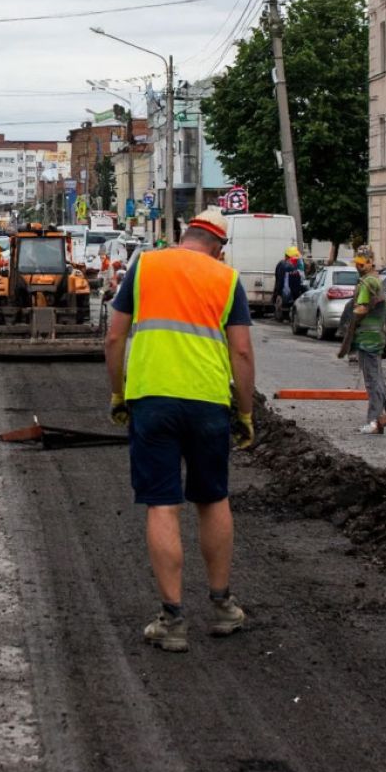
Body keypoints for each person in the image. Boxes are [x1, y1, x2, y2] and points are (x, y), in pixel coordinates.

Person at [104, 207, 256, 654]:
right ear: (218, 246)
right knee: (212, 499)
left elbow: (114, 338)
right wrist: (244, 414)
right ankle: (223, 607)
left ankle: (172, 620)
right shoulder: (227, 279)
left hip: (152, 400)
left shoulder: (145, 266)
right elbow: (242, 352)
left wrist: (118, 394)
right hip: (208, 402)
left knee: (163, 504)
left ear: (183, 233)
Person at [339, 245, 386, 435]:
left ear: (370, 263)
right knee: (378, 379)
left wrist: (351, 318)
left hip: (368, 339)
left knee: (373, 382)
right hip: (375, 338)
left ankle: (374, 422)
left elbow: (362, 308)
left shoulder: (367, 283)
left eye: (362, 263)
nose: (358, 266)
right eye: (357, 263)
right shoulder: (374, 280)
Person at [272, 246, 305, 320]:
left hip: (283, 293)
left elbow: (278, 280)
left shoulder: (281, 264)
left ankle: (284, 316)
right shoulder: (292, 266)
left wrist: (277, 293)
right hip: (291, 294)